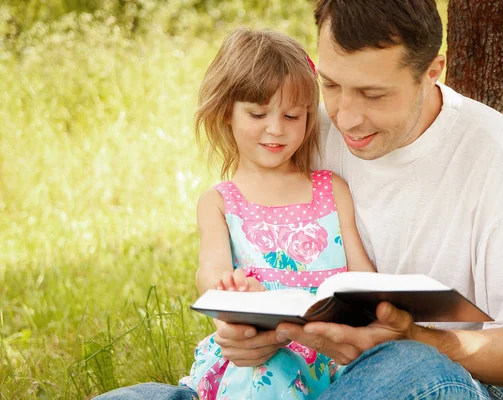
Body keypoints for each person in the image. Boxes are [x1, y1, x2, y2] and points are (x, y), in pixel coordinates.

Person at [97, 0, 503, 399]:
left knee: (415, 369)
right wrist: (241, 335)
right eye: (330, 85)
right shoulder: (303, 126)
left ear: (432, 72)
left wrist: (417, 338)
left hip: (434, 380)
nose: (344, 117)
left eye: (372, 94)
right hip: (289, 376)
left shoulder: (499, 159)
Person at [96, 27, 374, 400]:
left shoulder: (331, 188)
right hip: (257, 354)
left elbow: (363, 276)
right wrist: (232, 289)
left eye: (293, 116)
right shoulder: (220, 201)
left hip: (330, 356)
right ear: (226, 111)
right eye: (258, 113)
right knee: (269, 372)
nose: (276, 129)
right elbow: (210, 271)